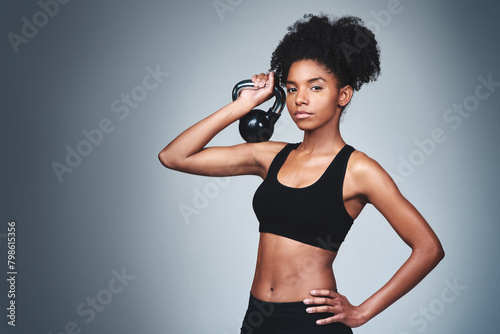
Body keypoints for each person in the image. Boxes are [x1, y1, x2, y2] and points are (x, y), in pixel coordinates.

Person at [159, 14, 444, 334]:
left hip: (312, 322)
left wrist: (362, 313)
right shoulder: (270, 156)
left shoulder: (359, 170)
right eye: (292, 89)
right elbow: (174, 156)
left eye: (316, 87)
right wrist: (243, 105)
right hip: (257, 318)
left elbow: (428, 248)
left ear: (343, 95)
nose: (300, 99)